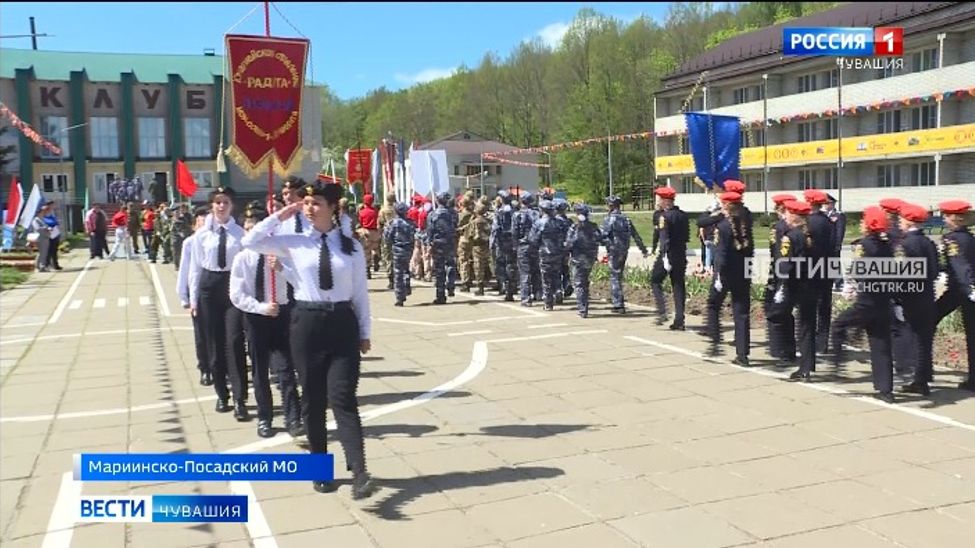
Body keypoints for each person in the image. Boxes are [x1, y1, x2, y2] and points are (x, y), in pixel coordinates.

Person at [242, 181, 375, 498]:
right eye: (307, 202)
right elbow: (251, 241)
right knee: (313, 401)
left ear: (332, 208)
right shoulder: (293, 242)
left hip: (342, 324)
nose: (309, 207)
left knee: (343, 398)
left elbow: (360, 292)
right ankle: (320, 468)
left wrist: (365, 331)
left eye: (316, 202)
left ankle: (359, 472)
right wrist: (281, 214)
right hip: (307, 323)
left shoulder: (350, 246)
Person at [230, 204, 301, 438]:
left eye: (256, 229)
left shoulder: (280, 253)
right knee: (260, 371)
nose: (252, 234)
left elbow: (298, 281)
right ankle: (265, 418)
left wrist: (281, 269)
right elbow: (237, 295)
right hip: (256, 318)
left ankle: (294, 417)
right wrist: (261, 307)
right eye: (248, 229)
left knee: (285, 369)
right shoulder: (242, 259)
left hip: (281, 316)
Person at [188, 186, 249, 420]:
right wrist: (193, 299)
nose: (221, 206)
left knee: (234, 342)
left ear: (232, 206)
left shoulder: (240, 234)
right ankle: (221, 394)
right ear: (212, 205)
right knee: (213, 344)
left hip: (232, 285)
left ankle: (240, 398)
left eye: (225, 202)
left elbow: (246, 265)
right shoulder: (202, 235)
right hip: (208, 285)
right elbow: (195, 268)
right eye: (217, 202)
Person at [832, 206, 896, 403]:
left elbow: (858, 271)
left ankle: (837, 362)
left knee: (838, 325)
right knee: (881, 345)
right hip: (883, 303)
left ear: (868, 225)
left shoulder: (863, 245)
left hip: (866, 302)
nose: (861, 224)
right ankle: (886, 390)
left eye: (863, 221)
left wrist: (851, 287)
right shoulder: (888, 246)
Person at [895, 203, 939, 396]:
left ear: (908, 220)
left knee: (912, 337)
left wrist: (897, 298)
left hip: (911, 297)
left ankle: (914, 378)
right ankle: (923, 379)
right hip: (927, 295)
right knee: (924, 339)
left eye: (901, 219)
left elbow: (902, 275)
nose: (899, 222)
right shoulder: (928, 242)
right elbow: (935, 271)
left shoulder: (905, 245)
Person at [706, 191, 753, 365]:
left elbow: (721, 255)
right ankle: (743, 354)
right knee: (741, 313)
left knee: (713, 304)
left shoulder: (723, 226)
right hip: (742, 273)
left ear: (725, 205)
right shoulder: (745, 223)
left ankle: (715, 338)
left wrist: (717, 275)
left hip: (726, 274)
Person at [934, 200, 975, 392]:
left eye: (945, 215)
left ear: (954, 218)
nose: (943, 218)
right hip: (965, 290)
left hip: (960, 290)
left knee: (928, 320)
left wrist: (969, 289)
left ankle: (920, 369)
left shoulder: (952, 239)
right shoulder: (969, 237)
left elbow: (960, 266)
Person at [176, 206, 213, 386]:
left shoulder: (216, 239)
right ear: (194, 226)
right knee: (202, 335)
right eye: (201, 222)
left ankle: (222, 367)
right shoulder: (190, 243)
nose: (204, 226)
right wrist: (184, 296)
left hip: (217, 292)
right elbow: (185, 270)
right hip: (197, 294)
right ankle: (205, 368)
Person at [600, 195, 649, 313]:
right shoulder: (626, 219)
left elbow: (602, 235)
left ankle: (618, 304)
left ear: (611, 206)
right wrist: (643, 249)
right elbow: (636, 235)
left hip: (613, 251)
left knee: (615, 277)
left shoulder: (609, 219)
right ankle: (618, 300)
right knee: (618, 275)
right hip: (624, 251)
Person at [650, 186, 690, 330]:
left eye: (659, 199)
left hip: (668, 254)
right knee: (678, 285)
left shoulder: (664, 217)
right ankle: (680, 319)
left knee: (655, 280)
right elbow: (686, 237)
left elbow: (664, 237)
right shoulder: (683, 215)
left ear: (666, 201)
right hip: (681, 254)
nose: (658, 201)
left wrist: (665, 256)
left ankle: (662, 310)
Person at [765, 194, 796, 361]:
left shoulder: (779, 228)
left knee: (775, 312)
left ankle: (778, 349)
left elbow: (776, 253)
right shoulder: (797, 227)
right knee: (787, 313)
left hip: (780, 273)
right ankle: (788, 349)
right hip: (795, 274)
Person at [804, 189, 835, 354]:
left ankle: (811, 340)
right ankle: (823, 343)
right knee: (825, 305)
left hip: (811, 266)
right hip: (828, 265)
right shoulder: (829, 221)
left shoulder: (808, 222)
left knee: (810, 305)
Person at [565, 203, 601, 318]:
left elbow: (569, 243)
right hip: (590, 259)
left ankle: (582, 309)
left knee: (579, 283)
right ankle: (584, 306)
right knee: (584, 282)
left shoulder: (575, 228)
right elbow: (600, 238)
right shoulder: (594, 226)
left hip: (578, 259)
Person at [426, 192, 456, 304]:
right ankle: (451, 285)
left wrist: (429, 243)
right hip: (450, 242)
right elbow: (455, 227)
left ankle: (441, 295)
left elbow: (429, 231)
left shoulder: (433, 214)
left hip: (438, 244)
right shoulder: (452, 214)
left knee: (439, 270)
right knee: (451, 264)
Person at [384, 201, 416, 306]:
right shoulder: (411, 223)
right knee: (406, 269)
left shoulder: (393, 223)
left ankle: (399, 297)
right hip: (408, 249)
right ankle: (406, 285)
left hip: (398, 249)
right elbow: (414, 235)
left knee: (398, 273)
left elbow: (388, 237)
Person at [514, 194, 540, 306]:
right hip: (534, 245)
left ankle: (525, 298)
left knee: (525, 272)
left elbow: (514, 231)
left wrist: (515, 245)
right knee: (535, 271)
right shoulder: (536, 214)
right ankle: (538, 294)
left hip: (523, 245)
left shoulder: (517, 214)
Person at [467, 202, 492, 296]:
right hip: (486, 244)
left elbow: (469, 234)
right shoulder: (488, 221)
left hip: (477, 246)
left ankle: (480, 286)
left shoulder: (475, 222)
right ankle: (487, 280)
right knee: (486, 263)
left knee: (478, 266)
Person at [456, 192, 476, 292]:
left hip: (463, 238)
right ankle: (470, 278)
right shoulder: (473, 214)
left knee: (463, 260)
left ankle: (465, 281)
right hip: (472, 239)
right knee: (470, 260)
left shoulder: (462, 215)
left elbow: (457, 227)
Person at [357, 194, 380, 278]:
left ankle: (367, 270)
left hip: (366, 231)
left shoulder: (362, 212)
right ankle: (376, 256)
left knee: (366, 251)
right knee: (375, 247)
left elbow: (360, 222)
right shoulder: (375, 211)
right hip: (375, 231)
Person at [378, 193, 397, 290]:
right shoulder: (397, 210)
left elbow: (380, 223)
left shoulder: (383, 210)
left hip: (387, 234)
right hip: (397, 235)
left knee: (388, 257)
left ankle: (391, 279)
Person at [30, 202, 53, 272]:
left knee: (43, 253)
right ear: (39, 212)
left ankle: (39, 266)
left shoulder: (42, 219)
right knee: (43, 253)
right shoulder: (36, 220)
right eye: (43, 211)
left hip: (45, 237)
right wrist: (46, 228)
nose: (44, 212)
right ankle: (41, 266)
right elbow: (37, 228)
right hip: (41, 238)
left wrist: (48, 228)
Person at [43, 204, 63, 270]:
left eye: (49, 210)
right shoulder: (42, 218)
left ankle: (55, 265)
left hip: (55, 235)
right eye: (47, 210)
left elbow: (56, 222)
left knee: (54, 251)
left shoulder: (52, 216)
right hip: (48, 236)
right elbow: (48, 224)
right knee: (48, 251)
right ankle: (47, 265)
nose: (49, 211)